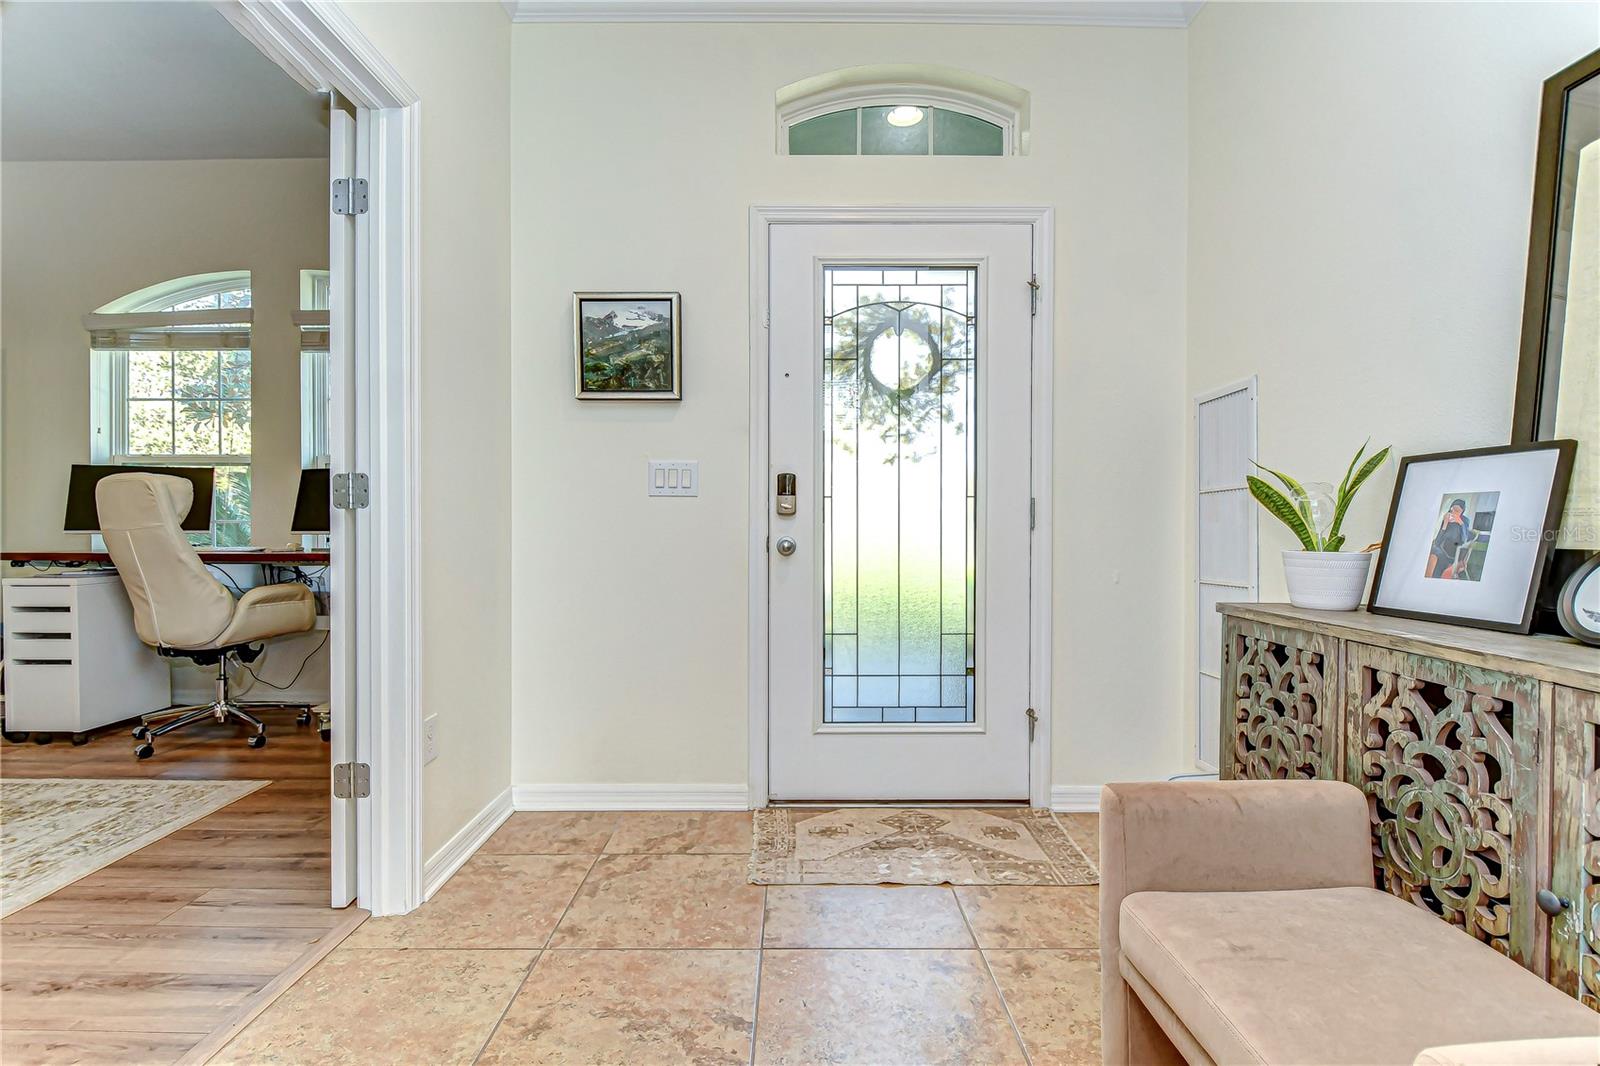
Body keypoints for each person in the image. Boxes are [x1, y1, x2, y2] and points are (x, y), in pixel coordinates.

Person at [1426, 499, 1474, 579]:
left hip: (1454, 552)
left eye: (1457, 510)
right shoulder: (1447, 518)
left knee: (1435, 553)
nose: (1454, 512)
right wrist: (1445, 524)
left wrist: (1460, 523)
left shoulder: (1465, 521)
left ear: (1462, 511)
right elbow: (1437, 542)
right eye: (1453, 509)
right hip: (1441, 549)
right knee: (1434, 550)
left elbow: (1464, 540)